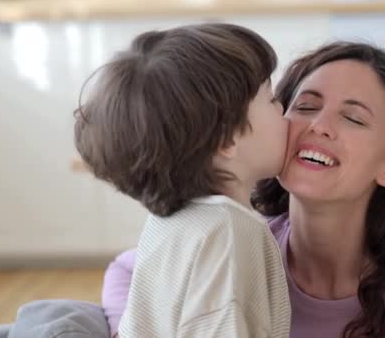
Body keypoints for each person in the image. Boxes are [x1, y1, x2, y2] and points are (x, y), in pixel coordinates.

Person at [102, 41, 385, 338]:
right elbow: (126, 271)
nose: (319, 125)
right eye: (304, 106)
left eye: (354, 119)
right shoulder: (237, 244)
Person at [74, 23, 291, 338]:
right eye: (271, 100)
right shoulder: (228, 231)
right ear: (227, 139)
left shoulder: (169, 223)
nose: (284, 109)